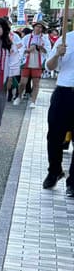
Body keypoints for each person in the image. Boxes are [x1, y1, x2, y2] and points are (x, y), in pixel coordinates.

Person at [43, 23, 74, 196]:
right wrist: (57, 54)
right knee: (54, 136)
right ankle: (54, 170)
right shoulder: (66, 39)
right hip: (63, 91)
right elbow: (49, 66)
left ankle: (73, 181)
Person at [19, 18, 51, 108]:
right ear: (34, 27)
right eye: (37, 26)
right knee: (22, 82)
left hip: (38, 63)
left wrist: (41, 48)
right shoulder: (26, 37)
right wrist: (27, 50)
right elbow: (21, 49)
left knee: (36, 83)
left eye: (41, 27)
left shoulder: (45, 39)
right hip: (27, 63)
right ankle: (19, 95)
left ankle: (33, 101)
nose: (38, 29)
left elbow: (48, 50)